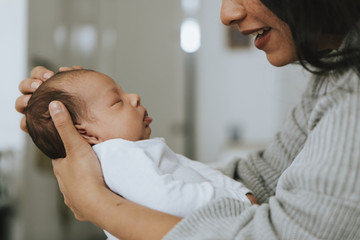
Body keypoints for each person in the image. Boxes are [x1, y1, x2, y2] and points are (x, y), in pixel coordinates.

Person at [15, 0, 360, 239]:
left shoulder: (352, 88)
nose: (227, 13)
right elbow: (263, 178)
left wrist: (96, 201)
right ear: (85, 132)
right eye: (116, 100)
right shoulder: (334, 74)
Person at [25, 69, 254, 239]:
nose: (134, 97)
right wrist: (237, 201)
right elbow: (167, 201)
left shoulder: (132, 152)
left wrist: (239, 192)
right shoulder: (115, 154)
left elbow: (193, 170)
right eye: (117, 101)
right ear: (88, 134)